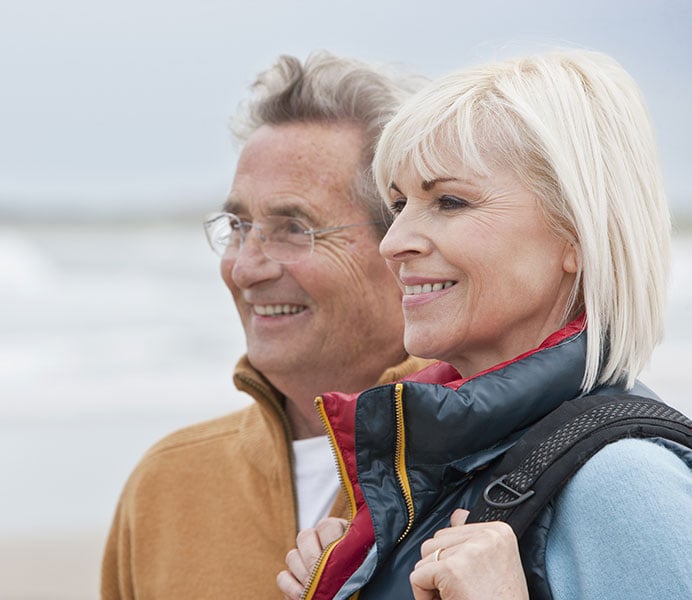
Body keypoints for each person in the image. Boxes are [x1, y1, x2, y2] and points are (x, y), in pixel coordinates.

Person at [277, 48, 692, 600]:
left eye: (449, 201)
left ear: (577, 236)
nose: (393, 242)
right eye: (399, 204)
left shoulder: (627, 483)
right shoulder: (444, 460)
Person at [100, 52, 430, 599]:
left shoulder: (491, 470)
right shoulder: (167, 485)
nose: (244, 267)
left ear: (404, 246)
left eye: (293, 228)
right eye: (238, 225)